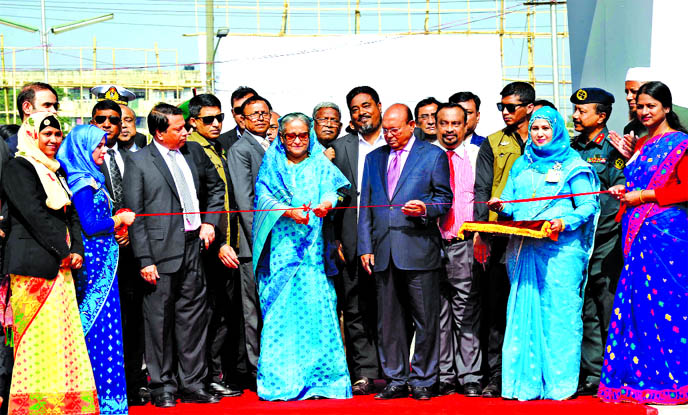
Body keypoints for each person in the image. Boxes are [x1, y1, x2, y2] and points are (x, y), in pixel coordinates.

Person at [487, 106, 600, 400]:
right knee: (522, 312)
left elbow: (588, 206)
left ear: (557, 131)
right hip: (524, 249)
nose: (539, 134)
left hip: (561, 251)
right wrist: (501, 207)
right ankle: (523, 384)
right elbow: (512, 204)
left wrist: (564, 221)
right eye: (535, 129)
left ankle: (559, 385)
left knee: (558, 315)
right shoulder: (521, 165)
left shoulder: (573, 165)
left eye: (545, 129)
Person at [123, 103, 225, 408]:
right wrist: (144, 259)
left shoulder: (194, 152)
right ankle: (162, 385)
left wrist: (210, 221)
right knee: (158, 321)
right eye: (178, 128)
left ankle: (192, 382)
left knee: (193, 318)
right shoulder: (139, 162)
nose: (186, 132)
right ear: (159, 132)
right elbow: (134, 213)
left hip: (194, 245)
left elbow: (216, 189)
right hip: (159, 252)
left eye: (185, 126)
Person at [2, 112, 98, 415]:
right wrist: (63, 251)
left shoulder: (56, 170)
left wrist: (77, 249)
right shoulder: (19, 167)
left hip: (60, 265)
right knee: (36, 339)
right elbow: (34, 215)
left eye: (58, 135)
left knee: (61, 338)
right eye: (47, 135)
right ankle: (33, 407)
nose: (54, 141)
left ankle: (64, 403)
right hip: (34, 266)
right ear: (32, 135)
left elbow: (70, 215)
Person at [252, 112, 352, 400]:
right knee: (282, 316)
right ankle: (282, 383)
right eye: (290, 135)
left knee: (319, 312)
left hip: (313, 254)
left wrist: (325, 204)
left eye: (302, 135)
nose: (297, 140)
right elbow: (263, 197)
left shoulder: (319, 162)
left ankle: (325, 382)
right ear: (281, 138)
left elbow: (336, 191)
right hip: (282, 254)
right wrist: (287, 210)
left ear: (310, 136)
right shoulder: (273, 164)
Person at [601, 81, 688, 405]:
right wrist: (624, 190)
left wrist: (644, 195)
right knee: (641, 308)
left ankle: (676, 380)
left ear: (666, 107)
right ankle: (643, 379)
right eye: (639, 106)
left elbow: (684, 189)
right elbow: (635, 183)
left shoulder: (680, 144)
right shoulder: (640, 145)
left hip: (666, 236)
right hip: (637, 233)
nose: (644, 112)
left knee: (671, 308)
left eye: (651, 105)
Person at [358, 103, 452, 400]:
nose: (388, 134)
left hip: (418, 248)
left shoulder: (432, 155)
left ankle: (424, 380)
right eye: (385, 129)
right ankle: (396, 379)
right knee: (390, 322)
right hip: (383, 251)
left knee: (426, 320)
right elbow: (366, 208)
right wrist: (365, 246)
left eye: (394, 129)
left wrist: (426, 208)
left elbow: (444, 199)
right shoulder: (374, 159)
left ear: (412, 125)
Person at [56, 124, 137, 414]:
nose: (103, 151)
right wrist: (119, 220)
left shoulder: (92, 178)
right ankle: (98, 401)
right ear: (82, 149)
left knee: (109, 328)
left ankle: (110, 400)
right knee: (98, 328)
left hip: (105, 259)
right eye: (98, 146)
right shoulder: (81, 183)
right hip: (94, 264)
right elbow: (90, 226)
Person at [474, 81, 535, 398]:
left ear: (529, 107)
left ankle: (533, 372)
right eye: (502, 107)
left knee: (535, 304)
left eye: (511, 107)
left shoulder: (545, 137)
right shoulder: (492, 142)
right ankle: (496, 376)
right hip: (500, 237)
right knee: (497, 310)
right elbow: (482, 190)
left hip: (540, 238)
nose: (505, 112)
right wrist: (481, 233)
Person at [91, 98, 150, 405]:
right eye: (102, 119)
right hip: (98, 252)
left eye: (115, 120)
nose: (109, 125)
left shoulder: (135, 154)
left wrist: (131, 232)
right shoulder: (86, 158)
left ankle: (134, 381)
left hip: (133, 251)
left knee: (132, 318)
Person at [329, 86, 386, 395]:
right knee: (354, 307)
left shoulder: (395, 141)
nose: (361, 112)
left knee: (390, 305)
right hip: (350, 237)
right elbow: (331, 197)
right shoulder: (341, 148)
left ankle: (392, 368)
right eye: (354, 108)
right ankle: (363, 371)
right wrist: (335, 238)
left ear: (379, 105)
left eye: (366, 105)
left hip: (389, 235)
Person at [569, 87, 625, 396]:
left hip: (605, 240)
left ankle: (615, 370)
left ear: (601, 116)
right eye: (575, 111)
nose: (576, 116)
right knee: (585, 307)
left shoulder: (614, 150)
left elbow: (616, 195)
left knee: (608, 306)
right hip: (577, 241)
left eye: (582, 111)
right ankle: (592, 373)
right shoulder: (570, 147)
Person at [186, 93, 243, 398]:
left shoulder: (217, 146)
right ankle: (206, 375)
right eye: (209, 119)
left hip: (227, 242)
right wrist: (220, 243)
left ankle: (215, 373)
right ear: (193, 121)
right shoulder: (194, 149)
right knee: (209, 315)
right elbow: (203, 200)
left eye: (220, 117)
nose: (217, 123)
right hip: (209, 246)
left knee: (223, 313)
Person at [432, 103, 483, 398]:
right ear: (436, 125)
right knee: (437, 312)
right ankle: (444, 374)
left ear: (466, 126)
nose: (450, 129)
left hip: (465, 242)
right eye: (444, 123)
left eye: (455, 123)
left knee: (467, 310)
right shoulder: (426, 157)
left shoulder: (477, 156)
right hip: (431, 244)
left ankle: (470, 375)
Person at [226, 94, 272, 389]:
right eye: (253, 114)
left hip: (279, 241)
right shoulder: (241, 149)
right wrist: (262, 241)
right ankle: (258, 370)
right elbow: (245, 201)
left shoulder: (274, 145)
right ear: (241, 118)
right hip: (254, 243)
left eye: (264, 113)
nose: (260, 118)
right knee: (253, 311)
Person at [7, 82, 59, 155]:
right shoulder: (8, 150)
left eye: (56, 106)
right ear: (27, 108)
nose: (54, 111)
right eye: (47, 105)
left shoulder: (59, 148)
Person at [218, 86, 258, 152]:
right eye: (238, 110)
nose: (243, 115)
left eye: (248, 109)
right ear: (233, 113)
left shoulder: (272, 139)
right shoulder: (220, 142)